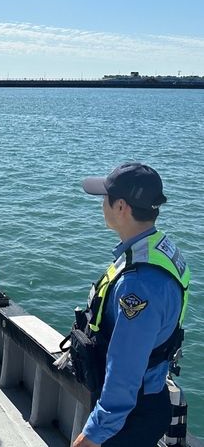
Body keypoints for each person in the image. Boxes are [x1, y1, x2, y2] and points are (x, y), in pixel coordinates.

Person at [72, 162, 189, 447]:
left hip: (129, 415)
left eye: (105, 198)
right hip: (145, 399)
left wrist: (94, 434)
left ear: (121, 207)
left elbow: (125, 368)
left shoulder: (139, 283)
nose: (102, 204)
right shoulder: (157, 247)